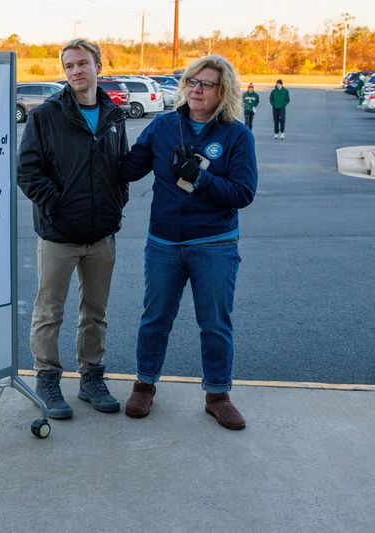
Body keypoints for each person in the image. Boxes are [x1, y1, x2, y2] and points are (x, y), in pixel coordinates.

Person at [120, 55, 258, 430]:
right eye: (192, 82)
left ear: (223, 91)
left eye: (205, 84)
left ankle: (218, 394)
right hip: (163, 242)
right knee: (155, 318)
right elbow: (130, 169)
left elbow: (244, 192)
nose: (195, 89)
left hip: (214, 243)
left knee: (214, 322)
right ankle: (144, 384)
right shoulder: (164, 126)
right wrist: (110, 132)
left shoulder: (236, 135)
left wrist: (200, 177)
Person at [17, 39, 129, 419]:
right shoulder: (46, 116)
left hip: (101, 236)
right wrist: (59, 207)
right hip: (59, 236)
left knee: (95, 313)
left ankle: (91, 378)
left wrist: (116, 204)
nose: (76, 71)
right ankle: (47, 378)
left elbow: (120, 168)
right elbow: (28, 173)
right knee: (49, 312)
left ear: (99, 66)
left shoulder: (113, 115)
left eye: (83, 63)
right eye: (69, 66)